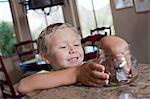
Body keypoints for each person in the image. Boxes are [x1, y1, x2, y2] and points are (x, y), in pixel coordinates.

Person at [16, 23, 110, 96]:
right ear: (45, 57)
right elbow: (22, 86)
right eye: (63, 47)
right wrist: (76, 74)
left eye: (76, 44)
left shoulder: (88, 69)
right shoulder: (45, 76)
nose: (72, 50)